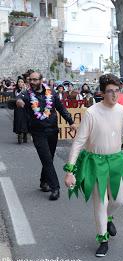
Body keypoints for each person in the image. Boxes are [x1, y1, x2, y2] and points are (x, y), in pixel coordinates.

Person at [64, 74, 123, 257]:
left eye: (117, 91)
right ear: (101, 92)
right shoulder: (92, 113)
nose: (114, 95)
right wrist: (70, 170)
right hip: (96, 163)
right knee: (101, 202)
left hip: (116, 161)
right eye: (110, 91)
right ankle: (103, 240)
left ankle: (108, 218)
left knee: (118, 200)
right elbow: (78, 142)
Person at [16, 72, 77, 200]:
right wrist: (19, 102)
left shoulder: (52, 93)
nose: (32, 82)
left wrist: (70, 122)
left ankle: (43, 181)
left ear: (41, 80)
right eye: (30, 80)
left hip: (52, 131)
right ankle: (55, 188)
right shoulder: (26, 94)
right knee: (47, 159)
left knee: (49, 157)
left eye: (34, 80)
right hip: (38, 132)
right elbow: (18, 99)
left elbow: (61, 108)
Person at [13, 76, 29, 144]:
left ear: (24, 83)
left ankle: (25, 134)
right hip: (17, 109)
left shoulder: (26, 91)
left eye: (21, 82)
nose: (20, 83)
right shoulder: (15, 91)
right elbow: (13, 99)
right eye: (19, 82)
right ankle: (19, 134)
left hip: (24, 109)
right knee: (18, 121)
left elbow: (28, 99)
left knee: (25, 121)